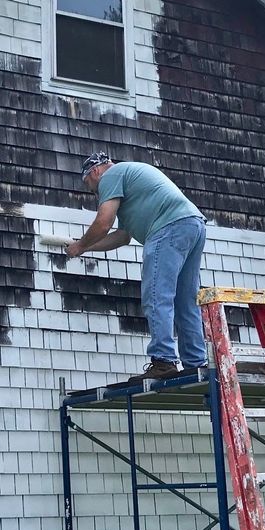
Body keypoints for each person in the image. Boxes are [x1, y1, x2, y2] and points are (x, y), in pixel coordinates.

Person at [66, 152, 207, 383]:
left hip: (167, 228)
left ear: (95, 171)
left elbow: (103, 223)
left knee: (156, 296)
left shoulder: (111, 176)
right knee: (185, 301)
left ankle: (163, 361)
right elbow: (122, 237)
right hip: (192, 225)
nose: (92, 191)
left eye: (88, 184)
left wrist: (80, 244)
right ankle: (195, 363)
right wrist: (84, 248)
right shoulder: (130, 181)